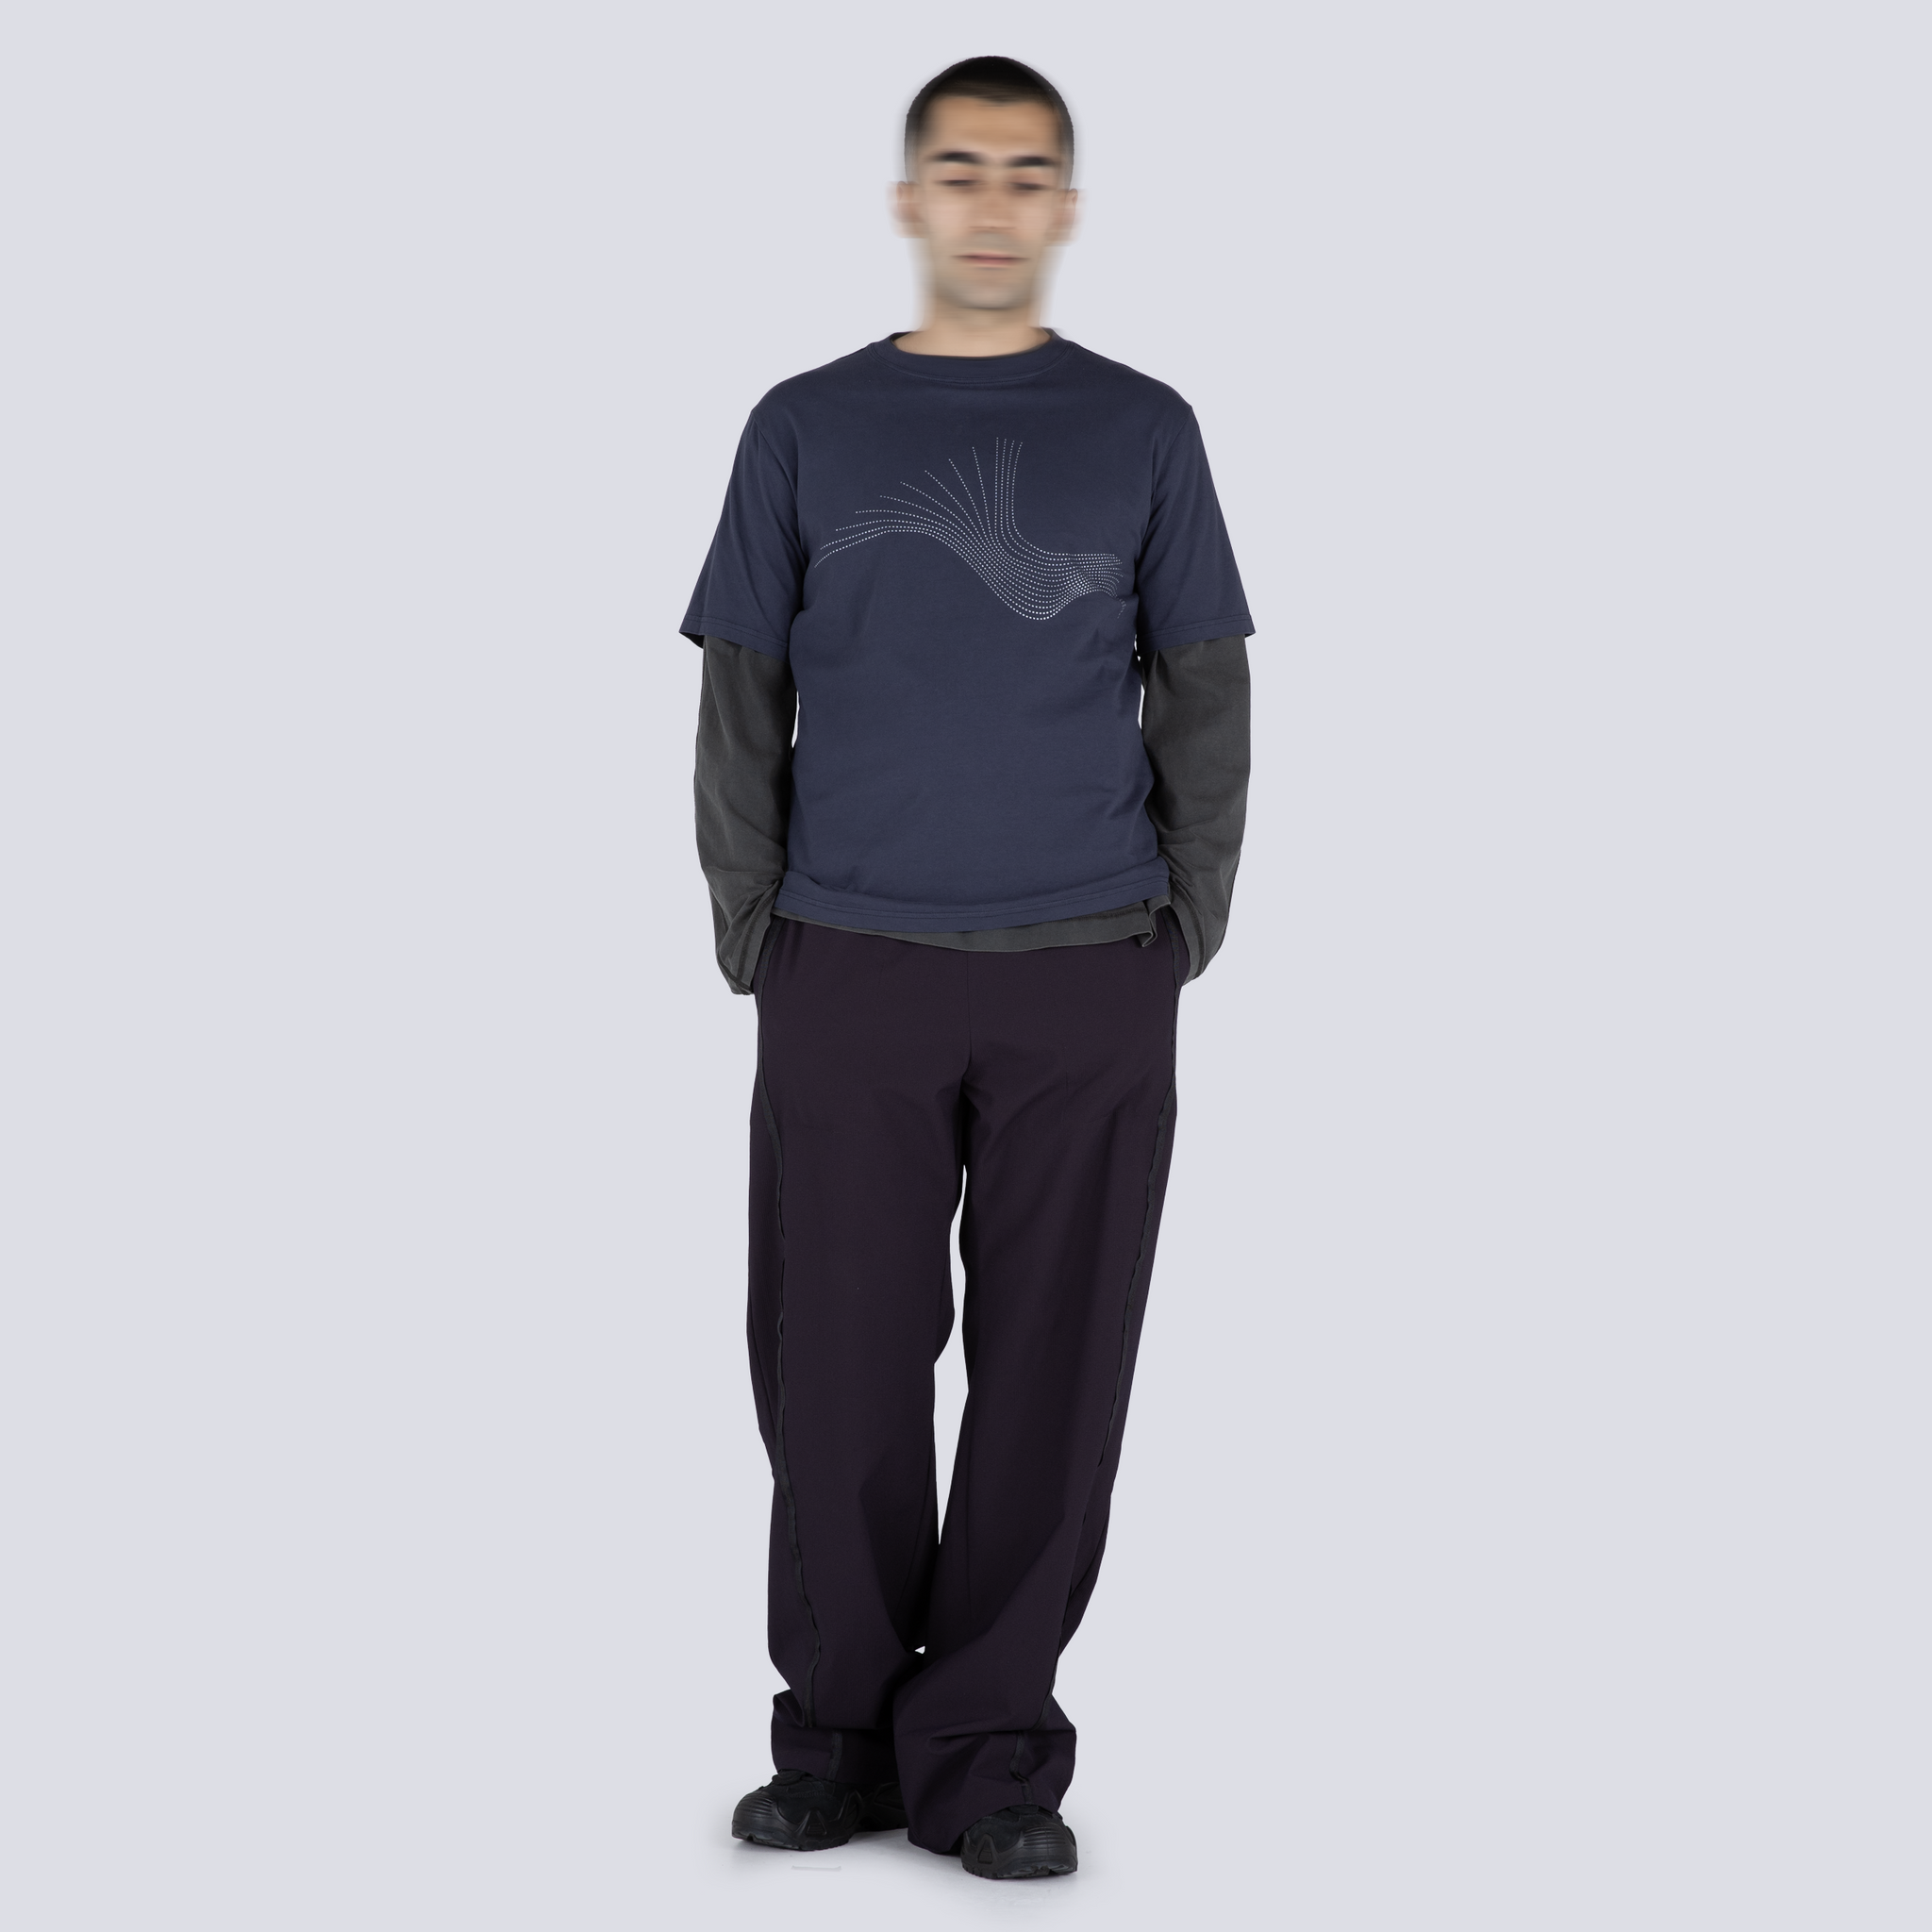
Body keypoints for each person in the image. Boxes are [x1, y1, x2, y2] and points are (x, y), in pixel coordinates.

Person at [681, 55, 1252, 1881]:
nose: (990, 202)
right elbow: (741, 691)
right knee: (833, 1364)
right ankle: (841, 1738)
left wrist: (1184, 922)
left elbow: (1206, 685)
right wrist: (754, 921)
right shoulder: (802, 424)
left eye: (1024, 172)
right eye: (958, 168)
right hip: (848, 956)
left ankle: (991, 1752)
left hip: (1089, 965)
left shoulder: (1144, 428)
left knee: (1054, 1376)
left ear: (1063, 206)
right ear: (908, 198)